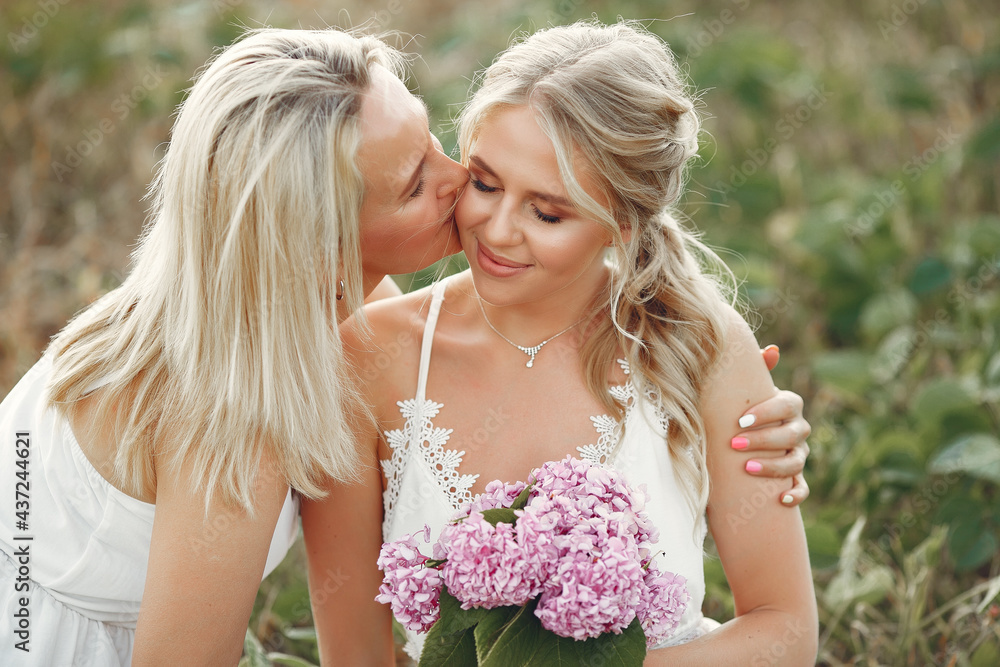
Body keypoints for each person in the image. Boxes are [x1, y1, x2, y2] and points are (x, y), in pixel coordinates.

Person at [303, 20, 816, 666]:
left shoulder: (698, 345)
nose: (497, 229)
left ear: (622, 225)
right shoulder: (371, 358)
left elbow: (786, 630)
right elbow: (355, 653)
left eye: (546, 212)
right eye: (485, 182)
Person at [0, 28, 470, 666]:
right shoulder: (237, 415)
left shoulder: (293, 302)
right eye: (416, 185)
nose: (462, 178)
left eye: (434, 143)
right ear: (319, 245)